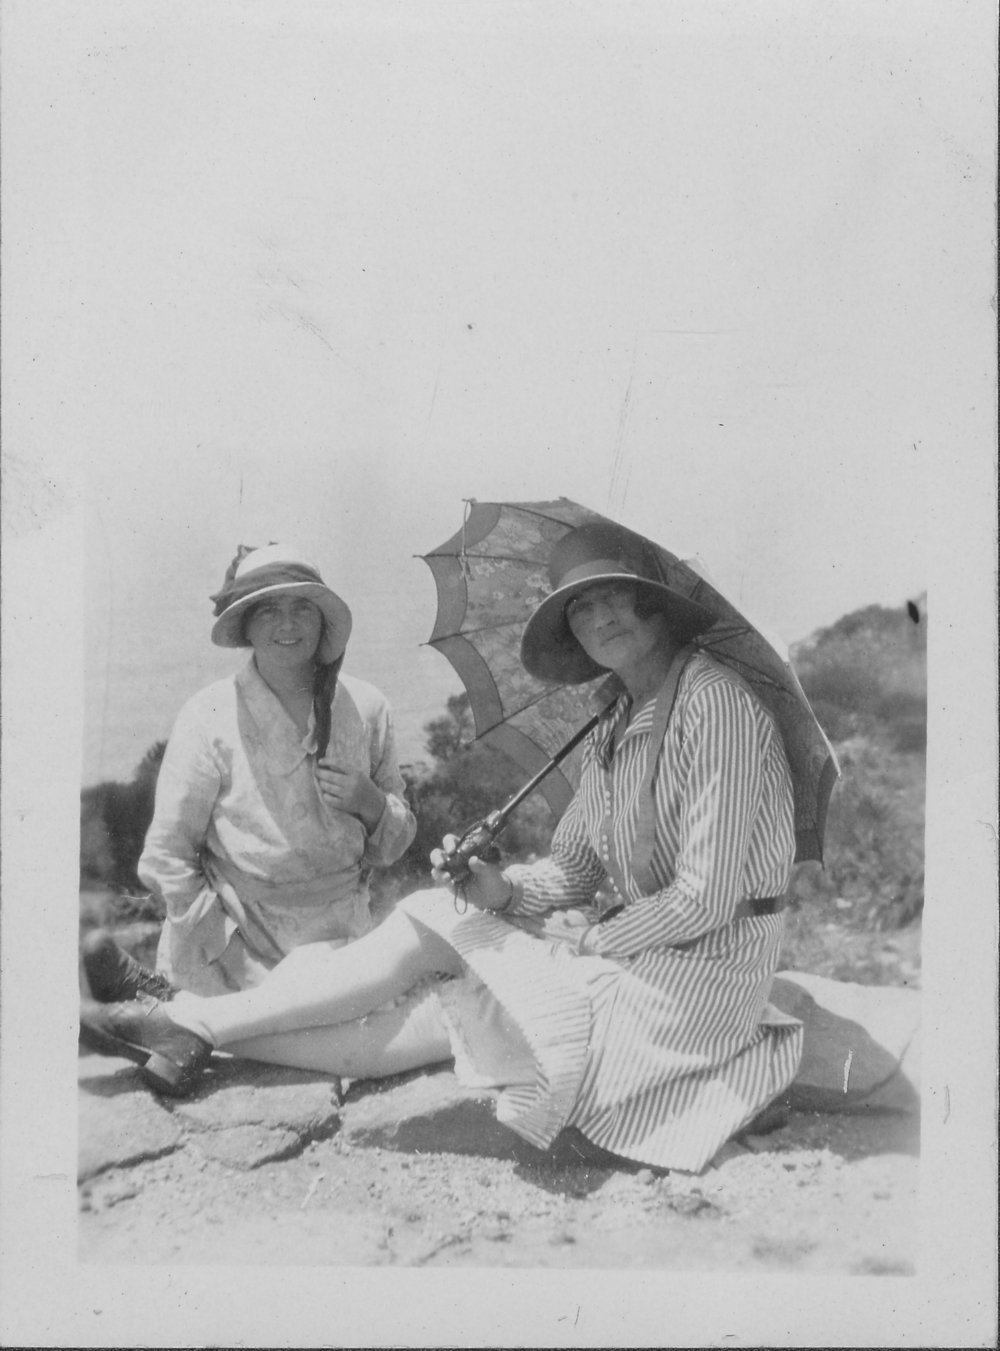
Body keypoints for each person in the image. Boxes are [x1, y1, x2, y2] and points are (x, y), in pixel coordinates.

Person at [80, 523, 803, 1174]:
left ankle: (183, 1020)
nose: (601, 617)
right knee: (442, 939)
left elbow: (706, 897)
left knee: (456, 1008)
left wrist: (597, 938)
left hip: (693, 985)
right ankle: (185, 1026)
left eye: (617, 596)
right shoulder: (614, 720)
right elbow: (579, 864)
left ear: (657, 604)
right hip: (639, 958)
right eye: (581, 606)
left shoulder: (717, 705)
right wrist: (500, 888)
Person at [82, 542, 416, 1001]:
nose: (287, 624)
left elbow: (393, 847)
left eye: (302, 607)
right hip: (229, 954)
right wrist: (237, 960)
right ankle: (164, 1010)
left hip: (344, 941)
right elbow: (167, 857)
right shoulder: (209, 715)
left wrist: (374, 806)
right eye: (267, 611)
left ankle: (174, 1018)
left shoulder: (368, 708)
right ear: (245, 625)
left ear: (323, 620)